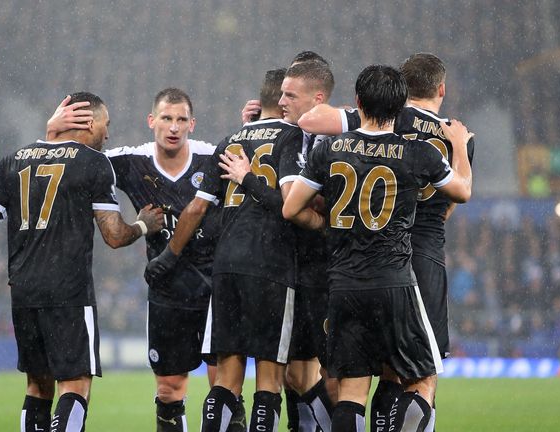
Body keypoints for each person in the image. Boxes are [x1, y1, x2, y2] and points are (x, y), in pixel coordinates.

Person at [0, 92, 164, 432]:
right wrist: (144, 224)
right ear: (90, 122)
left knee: (37, 386)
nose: (108, 133)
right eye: (107, 124)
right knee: (75, 385)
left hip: (24, 291)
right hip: (69, 292)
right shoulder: (93, 163)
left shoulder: (13, 160)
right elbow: (114, 236)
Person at [282, 65, 473, 432]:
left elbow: (291, 208)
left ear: (357, 102)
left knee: (351, 392)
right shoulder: (417, 154)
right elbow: (461, 192)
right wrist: (461, 147)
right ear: (400, 106)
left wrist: (329, 223)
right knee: (419, 380)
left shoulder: (331, 149)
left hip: (343, 283)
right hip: (395, 281)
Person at [46, 88, 241, 432]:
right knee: (169, 390)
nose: (174, 127)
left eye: (181, 119)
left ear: (192, 124)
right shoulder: (127, 161)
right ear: (151, 121)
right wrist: (53, 132)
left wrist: (257, 125)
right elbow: (70, 160)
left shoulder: (214, 157)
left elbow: (257, 165)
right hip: (168, 289)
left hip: (217, 287)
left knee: (224, 386)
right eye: (166, 118)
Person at [146, 68, 321, 432]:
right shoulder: (296, 137)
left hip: (225, 268)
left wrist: (169, 256)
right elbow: (292, 203)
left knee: (226, 379)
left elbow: (195, 208)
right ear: (283, 99)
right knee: (270, 379)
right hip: (271, 265)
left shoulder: (230, 141)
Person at [231, 56, 338, 432]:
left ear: (317, 97)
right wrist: (258, 129)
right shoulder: (296, 136)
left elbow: (303, 206)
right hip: (293, 266)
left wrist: (251, 179)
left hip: (321, 269)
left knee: (327, 375)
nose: (282, 102)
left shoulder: (330, 141)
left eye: (290, 95)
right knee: (296, 373)